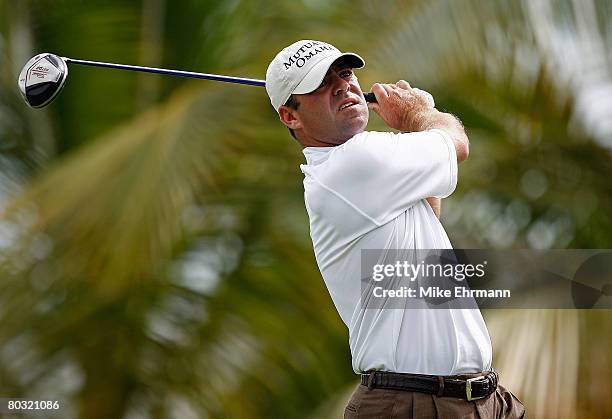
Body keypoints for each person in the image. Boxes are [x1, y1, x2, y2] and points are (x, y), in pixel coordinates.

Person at [265, 40, 525, 419]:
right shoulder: (351, 164)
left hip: (477, 400)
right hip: (413, 405)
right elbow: (457, 145)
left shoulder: (363, 171)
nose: (343, 86)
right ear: (291, 116)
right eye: (320, 84)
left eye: (345, 72)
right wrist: (422, 113)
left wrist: (411, 131)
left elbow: (429, 207)